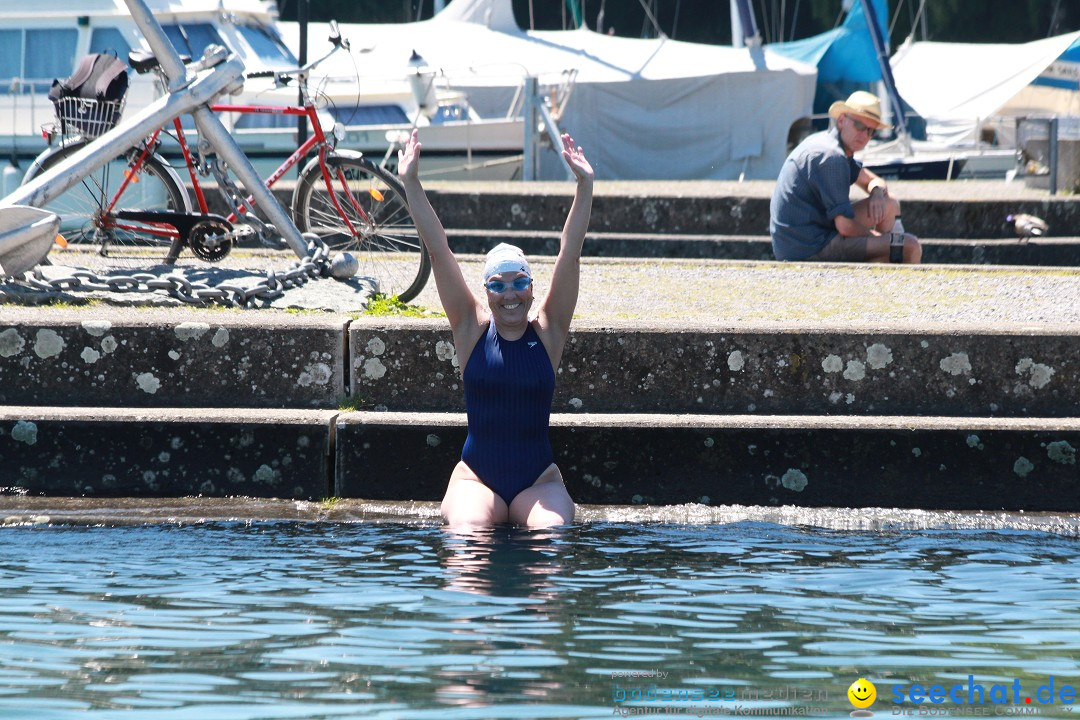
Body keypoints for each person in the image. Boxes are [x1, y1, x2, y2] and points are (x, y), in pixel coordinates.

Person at [397, 129, 594, 528]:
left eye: (520, 282)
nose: (510, 295)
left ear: (531, 288)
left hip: (539, 482)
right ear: (485, 291)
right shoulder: (470, 329)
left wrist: (585, 186)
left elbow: (569, 252)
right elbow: (438, 251)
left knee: (551, 541)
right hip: (476, 480)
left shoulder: (549, 331)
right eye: (499, 285)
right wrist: (410, 182)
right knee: (469, 540)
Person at [770, 90, 922, 264]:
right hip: (809, 248)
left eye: (871, 131)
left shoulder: (827, 142)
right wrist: (881, 239)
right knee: (910, 245)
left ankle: (883, 264)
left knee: (889, 204)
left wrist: (878, 192)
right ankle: (887, 269)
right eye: (859, 125)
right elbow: (846, 227)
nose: (864, 135)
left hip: (803, 239)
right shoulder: (831, 157)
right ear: (842, 120)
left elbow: (872, 180)